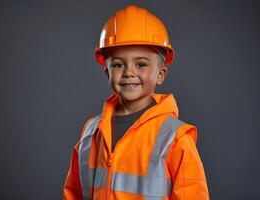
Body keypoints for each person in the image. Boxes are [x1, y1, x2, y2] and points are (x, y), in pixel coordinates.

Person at [63, 4, 210, 200]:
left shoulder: (175, 139)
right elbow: (72, 193)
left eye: (140, 64)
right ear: (107, 72)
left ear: (161, 74)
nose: (128, 72)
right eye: (117, 64)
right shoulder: (91, 132)